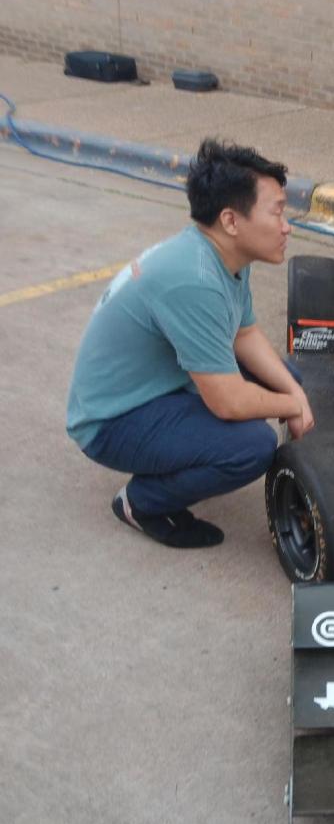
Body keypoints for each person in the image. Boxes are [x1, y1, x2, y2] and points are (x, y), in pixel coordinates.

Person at [66, 138, 315, 549]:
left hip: (157, 386)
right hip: (110, 420)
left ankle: (186, 451)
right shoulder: (195, 279)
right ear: (231, 221)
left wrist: (294, 393)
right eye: (277, 212)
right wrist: (292, 406)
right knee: (251, 446)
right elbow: (228, 403)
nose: (287, 225)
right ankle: (140, 504)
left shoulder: (224, 256)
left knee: (285, 378)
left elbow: (244, 333)